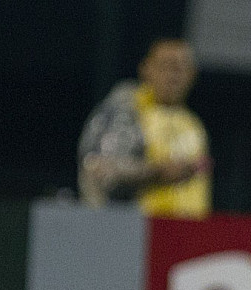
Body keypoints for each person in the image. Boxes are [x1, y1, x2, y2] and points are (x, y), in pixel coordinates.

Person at [78, 38, 211, 218]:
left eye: (181, 67)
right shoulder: (128, 108)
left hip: (185, 234)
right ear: (146, 69)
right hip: (135, 231)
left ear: (192, 74)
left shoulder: (192, 124)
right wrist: (155, 172)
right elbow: (96, 169)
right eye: (166, 66)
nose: (174, 74)